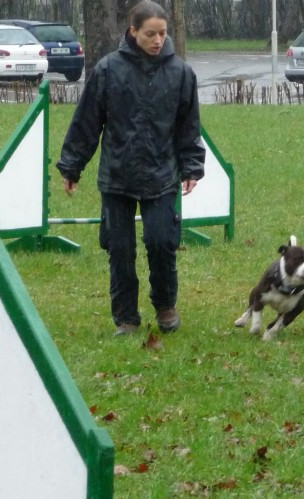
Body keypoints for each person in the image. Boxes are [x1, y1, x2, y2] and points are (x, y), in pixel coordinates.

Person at [57, 0, 206, 336]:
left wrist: (192, 167)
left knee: (161, 242)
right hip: (117, 177)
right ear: (133, 31)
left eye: (162, 34)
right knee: (120, 250)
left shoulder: (181, 73)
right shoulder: (108, 70)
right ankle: (126, 317)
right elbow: (87, 122)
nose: (157, 40)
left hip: (162, 176)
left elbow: (188, 126)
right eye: (150, 34)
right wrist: (71, 166)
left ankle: (165, 305)